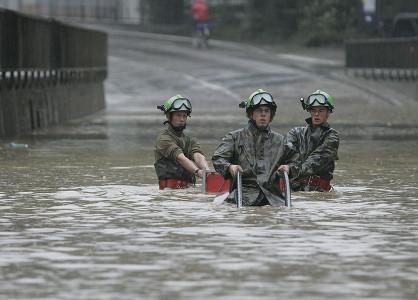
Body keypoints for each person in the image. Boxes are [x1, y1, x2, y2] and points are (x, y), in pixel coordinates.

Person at [212, 89, 287, 206]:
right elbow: (218, 158)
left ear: (271, 114)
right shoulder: (234, 137)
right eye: (259, 110)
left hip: (274, 198)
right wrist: (229, 167)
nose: (263, 114)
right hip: (242, 195)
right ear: (251, 113)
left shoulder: (280, 140)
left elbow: (296, 162)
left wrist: (289, 168)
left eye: (267, 111)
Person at [278, 89, 339, 192]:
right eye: (313, 110)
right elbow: (287, 153)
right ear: (309, 111)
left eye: (321, 110)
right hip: (293, 188)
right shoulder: (295, 133)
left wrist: (291, 169)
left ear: (328, 112)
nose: (316, 114)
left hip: (319, 191)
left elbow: (316, 161)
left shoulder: (332, 136)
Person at [154, 95, 209, 190]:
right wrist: (197, 172)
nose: (182, 119)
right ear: (169, 116)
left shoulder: (190, 139)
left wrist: (206, 171)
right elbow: (180, 158)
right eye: (178, 115)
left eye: (184, 116)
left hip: (188, 189)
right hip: (170, 191)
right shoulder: (163, 139)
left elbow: (198, 155)